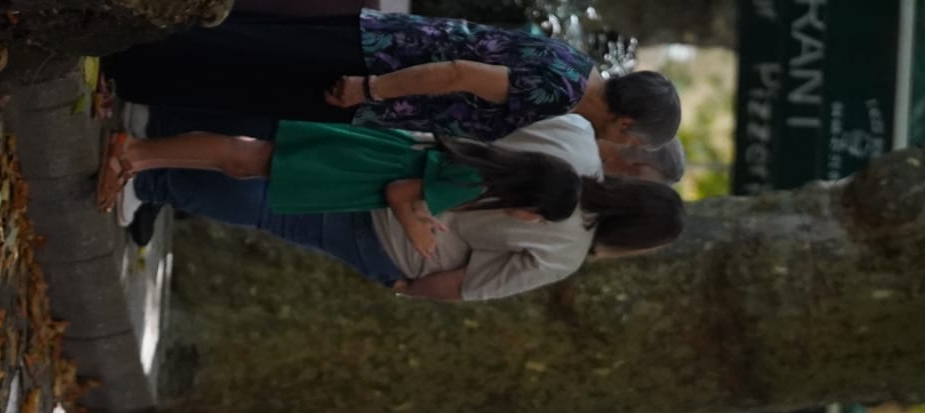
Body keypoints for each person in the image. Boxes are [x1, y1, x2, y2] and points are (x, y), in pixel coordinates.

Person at [123, 112, 683, 301]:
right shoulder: (566, 252)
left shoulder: (576, 136)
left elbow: (489, 122)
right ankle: (153, 181)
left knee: (273, 155)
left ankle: (158, 142)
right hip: (400, 244)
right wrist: (407, 288)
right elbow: (464, 285)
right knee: (269, 207)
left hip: (408, 154)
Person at [103, 11, 681, 148]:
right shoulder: (560, 92)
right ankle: (121, 43)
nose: (619, 144)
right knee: (239, 68)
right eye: (630, 139)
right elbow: (461, 75)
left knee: (246, 47)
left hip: (380, 43)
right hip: (373, 73)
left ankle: (123, 47)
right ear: (626, 121)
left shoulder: (574, 63)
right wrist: (370, 90)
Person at [95, 122, 583, 261]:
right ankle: (136, 152)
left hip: (355, 162)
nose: (532, 222)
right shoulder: (477, 183)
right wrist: (416, 231)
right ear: (531, 197)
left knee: (245, 164)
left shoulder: (485, 169)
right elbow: (400, 192)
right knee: (242, 158)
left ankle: (142, 158)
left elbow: (415, 191)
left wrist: (421, 214)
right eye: (539, 215)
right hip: (350, 170)